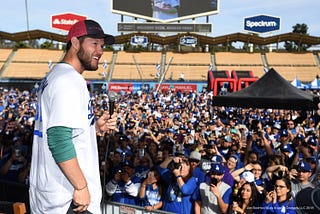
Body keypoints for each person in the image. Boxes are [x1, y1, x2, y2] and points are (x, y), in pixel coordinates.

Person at [29, 20, 116, 214]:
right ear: (75, 43)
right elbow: (59, 139)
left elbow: (61, 129)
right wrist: (81, 186)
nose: (100, 51)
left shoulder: (55, 76)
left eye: (102, 45)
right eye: (94, 43)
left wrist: (93, 129)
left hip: (53, 195)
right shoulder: (69, 80)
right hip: (68, 199)